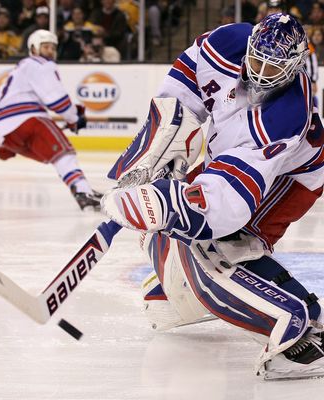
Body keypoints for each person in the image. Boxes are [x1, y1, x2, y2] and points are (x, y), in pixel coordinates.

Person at [101, 13, 324, 380]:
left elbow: (228, 204)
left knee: (221, 245)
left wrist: (170, 206)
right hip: (227, 155)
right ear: (249, 46)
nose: (262, 74)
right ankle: (178, 296)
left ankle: (302, 325)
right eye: (257, 62)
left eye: (275, 68)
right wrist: (151, 157)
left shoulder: (284, 116)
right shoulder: (226, 43)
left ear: (297, 64)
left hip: (288, 177)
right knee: (165, 218)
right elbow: (177, 102)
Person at [0, 29, 102, 211]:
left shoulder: (16, 72)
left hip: (6, 132)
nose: (50, 51)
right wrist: (74, 118)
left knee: (57, 156)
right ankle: (83, 193)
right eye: (45, 46)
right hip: (28, 119)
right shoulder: (41, 64)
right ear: (33, 49)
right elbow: (56, 99)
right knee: (64, 154)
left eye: (52, 47)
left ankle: (83, 190)